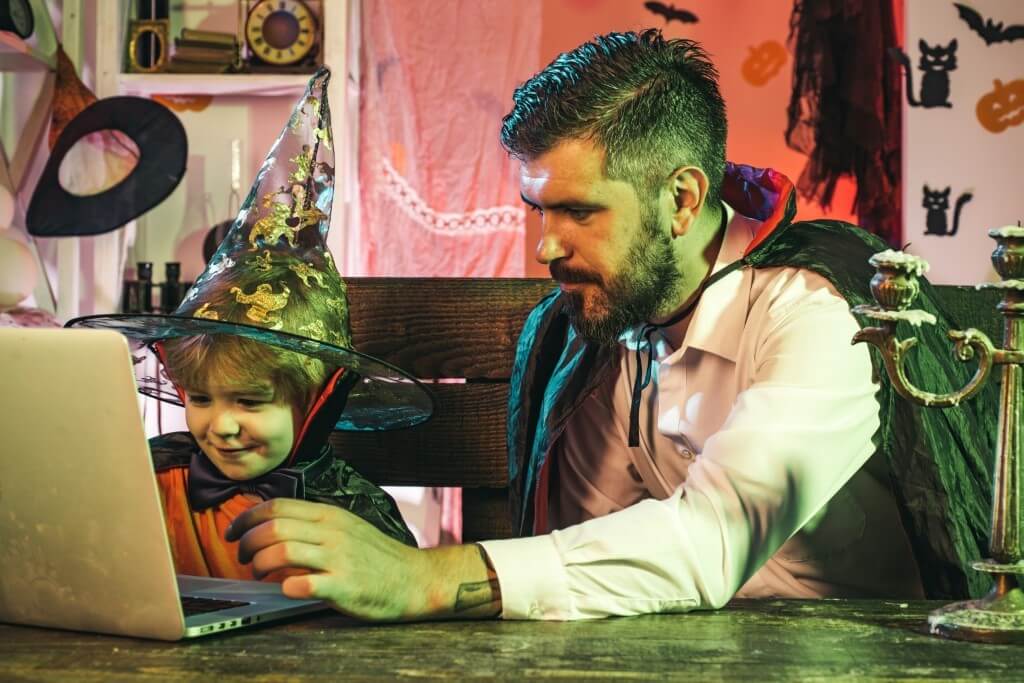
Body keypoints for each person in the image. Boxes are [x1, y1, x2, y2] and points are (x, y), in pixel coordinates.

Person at [224, 30, 995, 620]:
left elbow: (710, 539)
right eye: (538, 208)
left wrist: (427, 575)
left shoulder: (822, 314)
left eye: (579, 211)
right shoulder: (597, 328)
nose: (545, 245)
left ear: (683, 200)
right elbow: (576, 542)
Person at [67, 67, 436, 582]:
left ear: (316, 402)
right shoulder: (146, 477)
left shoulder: (355, 519)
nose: (220, 426)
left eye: (249, 401)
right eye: (201, 399)